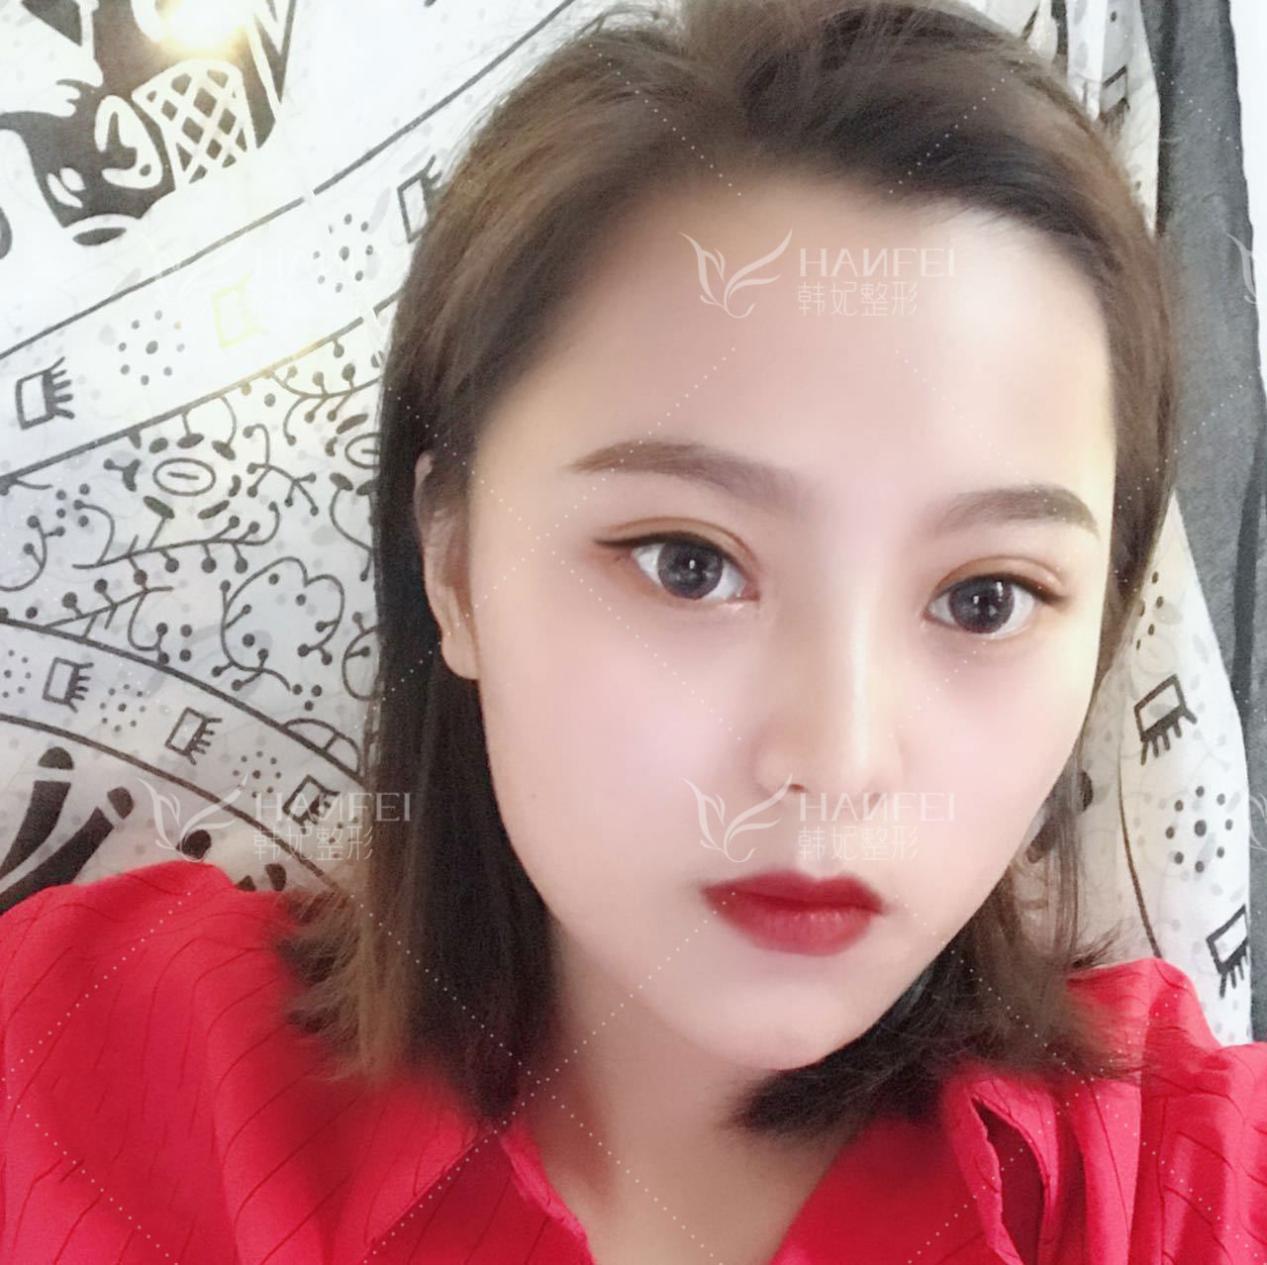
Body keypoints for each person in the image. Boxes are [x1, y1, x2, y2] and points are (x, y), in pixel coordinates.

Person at [1, 1, 1264, 1262]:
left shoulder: (1178, 1186)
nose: (833, 759)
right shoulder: (72, 1066)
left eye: (985, 597)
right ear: (453, 563)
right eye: (687, 564)